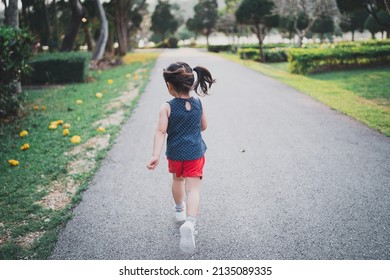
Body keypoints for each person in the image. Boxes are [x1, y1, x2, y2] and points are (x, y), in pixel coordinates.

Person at [147, 62, 215, 254]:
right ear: (190, 83)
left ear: (169, 85)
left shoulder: (166, 107)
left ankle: (179, 209)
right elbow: (204, 126)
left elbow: (160, 132)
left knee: (177, 180)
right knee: (193, 189)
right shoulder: (198, 103)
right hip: (195, 153)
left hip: (176, 154)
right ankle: (190, 223)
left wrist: (155, 155)